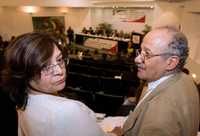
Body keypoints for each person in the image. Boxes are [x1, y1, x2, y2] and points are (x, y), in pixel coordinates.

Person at [1, 32, 107, 136]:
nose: (59, 71)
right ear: (23, 73)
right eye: (44, 66)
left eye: (60, 59)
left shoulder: (22, 102)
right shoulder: (70, 110)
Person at [111, 26, 199, 136]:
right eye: (141, 51)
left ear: (171, 62)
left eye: (147, 54)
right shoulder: (185, 80)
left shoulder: (160, 115)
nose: (137, 59)